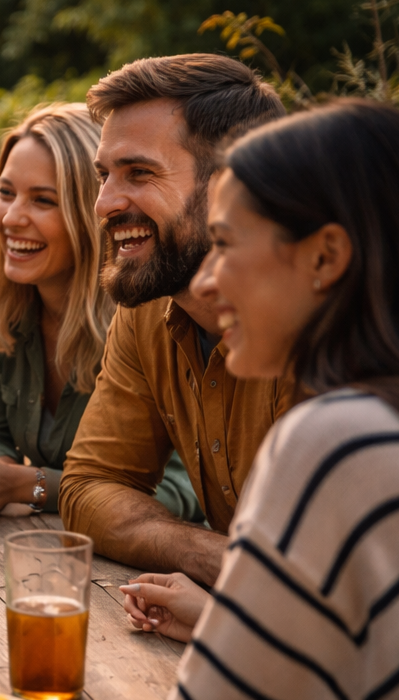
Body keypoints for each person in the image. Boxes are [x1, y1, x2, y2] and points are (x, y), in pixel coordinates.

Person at [112, 101, 399, 700]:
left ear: (325, 258)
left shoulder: (342, 442)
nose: (206, 282)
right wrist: (239, 624)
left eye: (222, 245)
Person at [58, 54, 294, 583]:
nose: (104, 204)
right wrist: (206, 555)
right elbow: (90, 486)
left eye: (139, 173)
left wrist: (230, 599)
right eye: (104, 176)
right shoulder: (149, 311)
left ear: (231, 184)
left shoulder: (321, 318)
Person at [0, 103, 199, 519]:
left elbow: (180, 493)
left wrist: (31, 485)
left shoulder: (147, 314)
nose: (12, 218)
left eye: (43, 201)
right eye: (5, 193)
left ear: (89, 213)